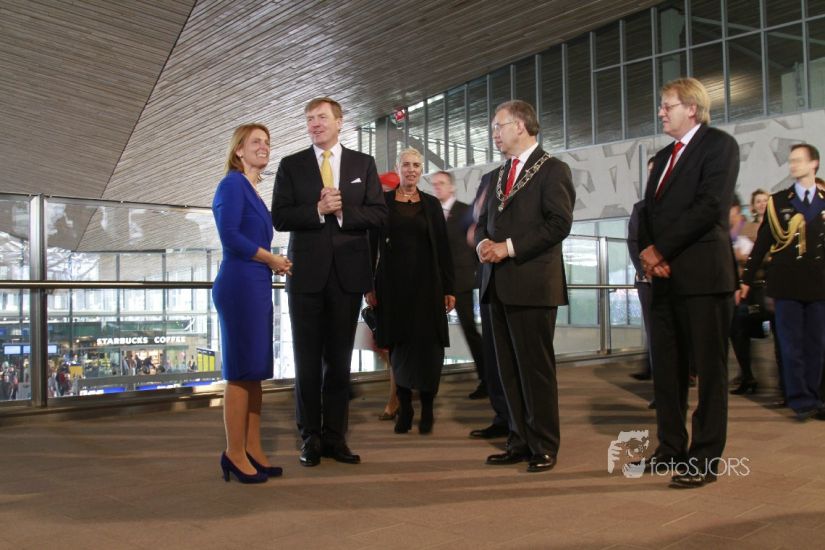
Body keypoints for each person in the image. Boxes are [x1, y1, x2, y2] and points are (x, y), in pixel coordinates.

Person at [272, 97, 387, 467]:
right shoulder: (291, 165)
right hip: (305, 275)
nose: (315, 123)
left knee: (338, 361)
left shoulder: (362, 164)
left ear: (339, 121)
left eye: (321, 117)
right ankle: (310, 437)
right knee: (306, 361)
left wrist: (342, 212)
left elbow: (379, 214)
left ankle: (336, 437)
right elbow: (280, 216)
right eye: (310, 119)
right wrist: (317, 211)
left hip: (347, 276)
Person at [638, 77, 739, 489]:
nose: (661, 112)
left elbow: (709, 206)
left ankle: (704, 458)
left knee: (710, 373)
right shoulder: (663, 156)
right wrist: (649, 252)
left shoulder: (719, 145)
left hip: (704, 277)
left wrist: (660, 249)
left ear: (692, 108)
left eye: (668, 105)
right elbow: (647, 211)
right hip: (664, 279)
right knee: (667, 370)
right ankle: (670, 448)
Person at [476, 100, 575, 473]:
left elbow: (558, 223)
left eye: (498, 126)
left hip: (533, 284)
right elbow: (484, 223)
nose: (494, 134)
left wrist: (508, 247)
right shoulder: (497, 175)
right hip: (497, 284)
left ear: (520, 125)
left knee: (535, 370)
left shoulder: (553, 169)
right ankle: (518, 440)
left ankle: (544, 444)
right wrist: (483, 244)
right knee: (507, 371)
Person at [212, 122, 291, 483]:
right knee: (240, 372)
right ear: (239, 150)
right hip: (239, 283)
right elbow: (229, 236)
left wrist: (273, 262)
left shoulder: (252, 190)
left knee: (255, 371)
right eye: (256, 141)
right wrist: (271, 258)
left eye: (267, 142)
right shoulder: (231, 184)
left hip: (255, 282)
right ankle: (233, 452)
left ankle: (253, 449)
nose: (264, 146)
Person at [367, 149, 455, 434]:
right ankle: (405, 408)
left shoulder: (431, 204)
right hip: (392, 286)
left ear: (421, 170)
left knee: (429, 349)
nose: (411, 169)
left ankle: (427, 409)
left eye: (416, 165)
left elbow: (443, 248)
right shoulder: (383, 203)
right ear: (398, 168)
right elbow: (370, 246)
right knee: (399, 347)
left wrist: (449, 287)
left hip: (428, 286)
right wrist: (368, 285)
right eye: (406, 164)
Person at [740, 143, 825, 422]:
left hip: (819, 284)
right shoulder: (778, 202)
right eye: (791, 160)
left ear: (814, 164)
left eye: (798, 160)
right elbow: (762, 243)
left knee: (816, 345)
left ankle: (813, 396)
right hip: (787, 283)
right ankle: (800, 400)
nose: (793, 165)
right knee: (790, 345)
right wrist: (746, 279)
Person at [430, 170, 486, 400]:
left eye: (442, 183)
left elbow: (476, 242)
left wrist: (476, 274)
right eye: (434, 184)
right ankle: (427, 383)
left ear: (452, 187)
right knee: (432, 333)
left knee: (469, 329)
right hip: (436, 282)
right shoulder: (432, 212)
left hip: (461, 280)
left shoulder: (465, 211)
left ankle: (487, 379)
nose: (437, 187)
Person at [466, 170, 510, 440]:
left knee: (513, 358)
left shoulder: (542, 171)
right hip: (487, 278)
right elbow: (476, 222)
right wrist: (480, 239)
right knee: (493, 354)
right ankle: (502, 416)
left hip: (516, 274)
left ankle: (518, 420)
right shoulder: (490, 178)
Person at [627, 158, 656, 406]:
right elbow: (633, 242)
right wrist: (643, 270)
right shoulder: (641, 208)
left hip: (677, 280)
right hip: (648, 282)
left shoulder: (682, 205)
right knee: (655, 337)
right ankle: (662, 393)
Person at [729, 196, 759, 395]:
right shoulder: (725, 233)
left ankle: (749, 376)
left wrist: (743, 257)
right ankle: (747, 375)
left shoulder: (751, 229)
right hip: (730, 289)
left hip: (749, 289)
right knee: (737, 334)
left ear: (737, 209)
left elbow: (763, 255)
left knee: (742, 332)